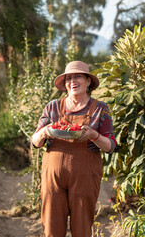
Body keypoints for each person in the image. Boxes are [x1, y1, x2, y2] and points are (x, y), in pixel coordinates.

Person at [32, 61, 116, 237]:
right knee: (52, 225)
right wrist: (46, 131)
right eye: (68, 78)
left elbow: (110, 146)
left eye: (77, 76)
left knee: (82, 226)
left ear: (88, 82)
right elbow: (35, 141)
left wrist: (94, 135)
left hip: (85, 175)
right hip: (53, 176)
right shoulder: (53, 107)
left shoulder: (100, 109)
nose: (72, 81)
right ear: (65, 84)